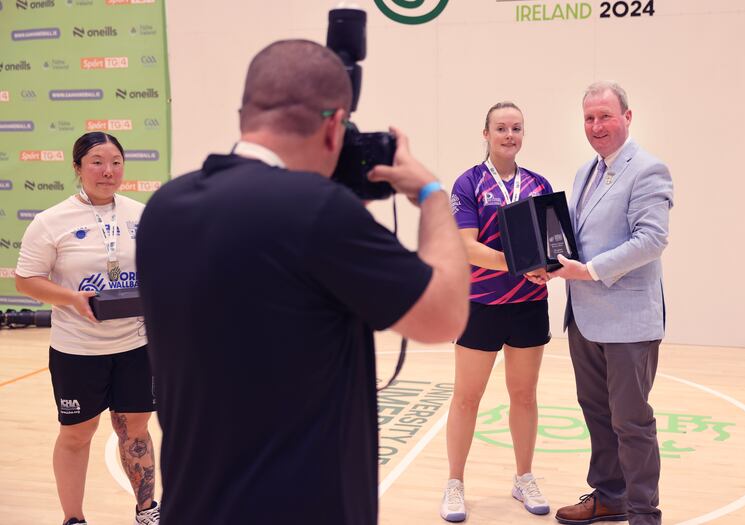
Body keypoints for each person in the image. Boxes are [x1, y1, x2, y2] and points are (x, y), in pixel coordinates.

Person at [135, 39, 469, 525]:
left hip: (192, 507)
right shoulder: (316, 212)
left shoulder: (164, 208)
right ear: (335, 126)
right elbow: (443, 317)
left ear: (244, 115)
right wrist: (433, 196)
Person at [530, 81, 673, 525]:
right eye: (590, 118)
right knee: (597, 414)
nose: (597, 126)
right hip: (585, 318)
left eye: (606, 116)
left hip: (628, 321)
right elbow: (574, 239)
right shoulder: (585, 171)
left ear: (627, 117)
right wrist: (547, 264)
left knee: (632, 423)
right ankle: (610, 496)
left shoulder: (648, 169)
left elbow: (651, 239)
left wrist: (586, 271)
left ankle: (644, 513)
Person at [14, 132, 160, 525]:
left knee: (136, 429)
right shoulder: (51, 222)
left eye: (115, 161)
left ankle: (147, 510)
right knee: (78, 433)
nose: (107, 171)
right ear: (77, 168)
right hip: (78, 349)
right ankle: (73, 518)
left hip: (135, 345)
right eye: (96, 161)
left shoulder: (140, 213)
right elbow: (26, 280)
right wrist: (70, 298)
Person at [440, 102, 553, 523]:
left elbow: (551, 246)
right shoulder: (467, 183)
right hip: (479, 306)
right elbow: (466, 246)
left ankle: (523, 477)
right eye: (501, 128)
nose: (510, 135)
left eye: (517, 128)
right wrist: (522, 263)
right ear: (485, 134)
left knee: (524, 396)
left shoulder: (539, 185)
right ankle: (455, 483)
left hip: (528, 306)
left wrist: (549, 267)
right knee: (467, 398)